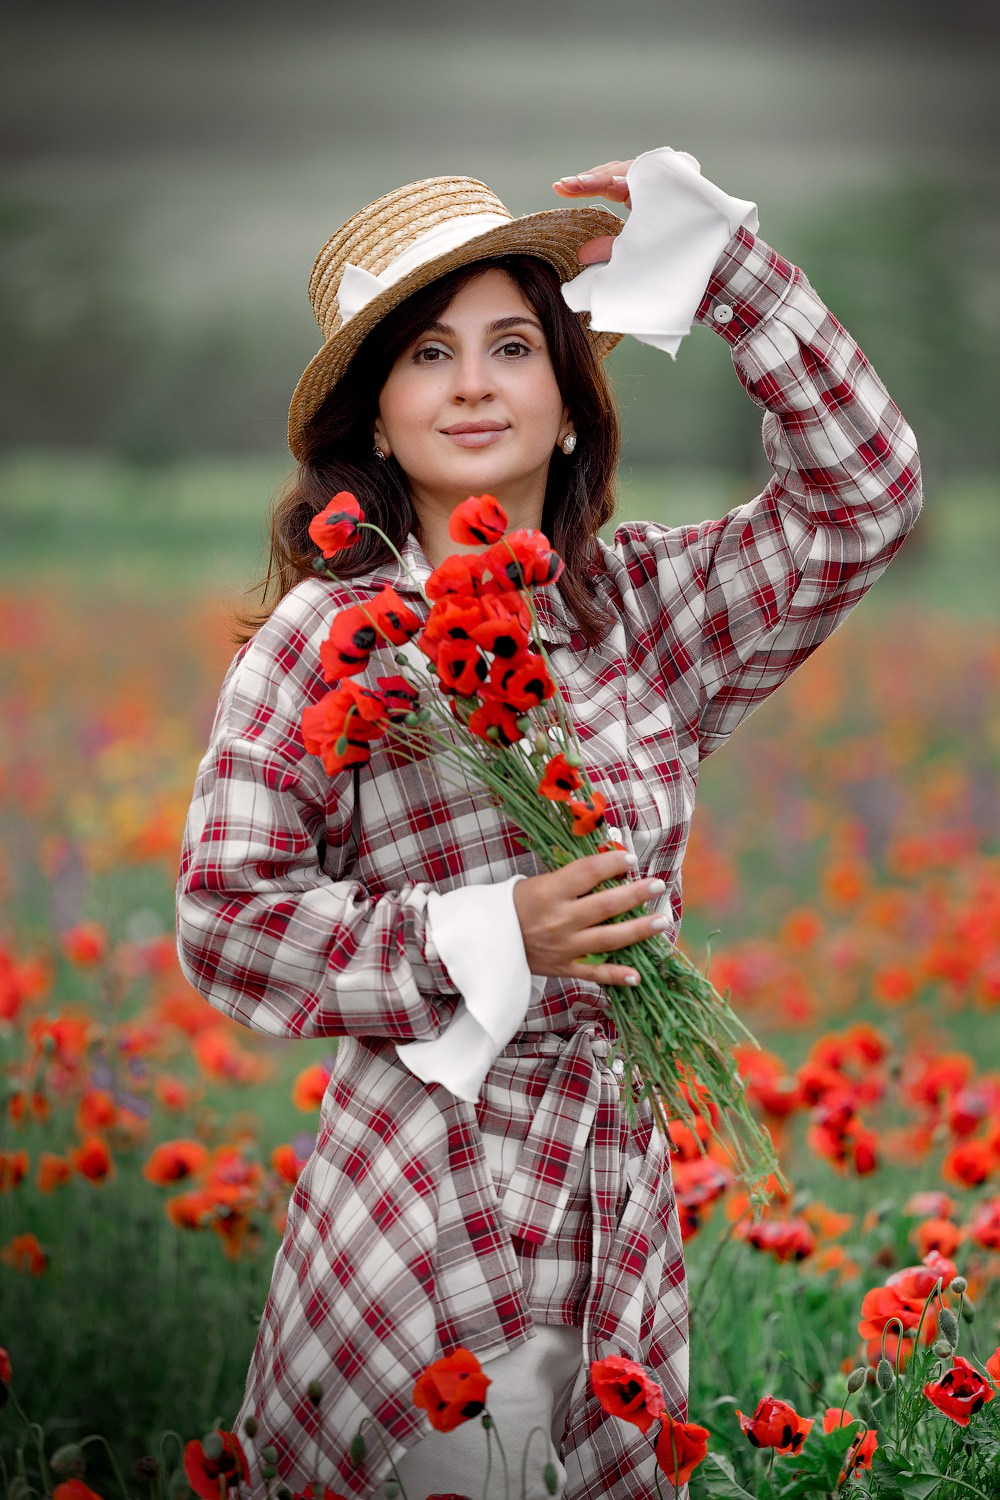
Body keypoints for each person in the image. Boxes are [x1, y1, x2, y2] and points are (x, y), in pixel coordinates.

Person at [175, 148, 922, 1499]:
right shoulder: (329, 640)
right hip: (427, 1198)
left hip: (615, 1204)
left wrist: (729, 273)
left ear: (567, 404)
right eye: (425, 356)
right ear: (376, 423)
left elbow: (862, 503)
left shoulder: (636, 615)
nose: (472, 382)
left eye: (512, 345)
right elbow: (227, 919)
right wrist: (485, 932)